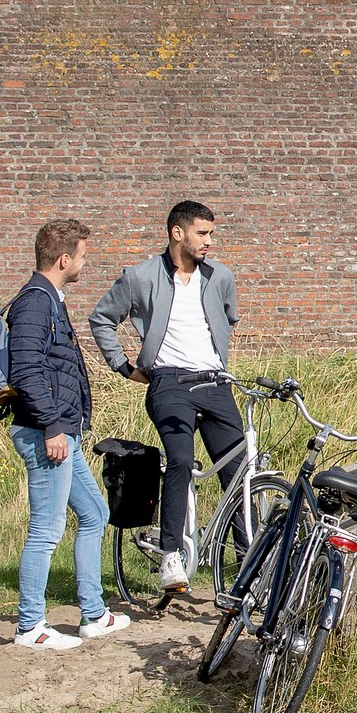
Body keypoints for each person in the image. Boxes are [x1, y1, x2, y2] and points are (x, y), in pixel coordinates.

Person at [90, 199, 242, 593]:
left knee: (238, 470)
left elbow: (228, 317)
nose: (210, 241)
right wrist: (124, 366)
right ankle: (171, 555)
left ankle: (248, 561)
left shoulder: (220, 276)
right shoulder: (141, 277)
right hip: (170, 384)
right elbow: (102, 318)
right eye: (202, 233)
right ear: (178, 233)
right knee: (180, 459)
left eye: (212, 233)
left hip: (215, 383)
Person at [7, 217, 128, 651]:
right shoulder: (35, 302)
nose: (84, 263)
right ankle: (30, 626)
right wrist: (53, 426)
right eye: (81, 256)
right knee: (46, 528)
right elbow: (26, 369)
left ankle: (93, 616)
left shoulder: (49, 299)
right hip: (47, 434)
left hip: (62, 433)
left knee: (94, 513)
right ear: (63, 259)